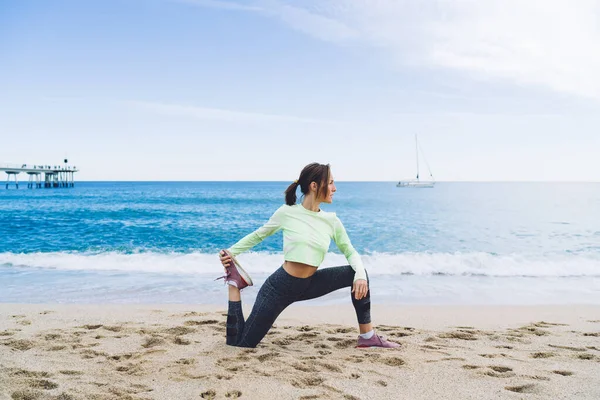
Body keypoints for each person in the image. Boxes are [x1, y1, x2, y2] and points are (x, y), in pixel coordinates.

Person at [217, 162, 400, 349]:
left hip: (310, 284)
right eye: (330, 183)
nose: (334, 188)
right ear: (314, 186)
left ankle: (368, 337)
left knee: (359, 274)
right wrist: (231, 252)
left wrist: (360, 275)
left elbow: (350, 251)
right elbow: (259, 235)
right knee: (241, 344)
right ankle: (234, 284)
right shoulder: (287, 212)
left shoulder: (332, 221)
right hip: (279, 288)